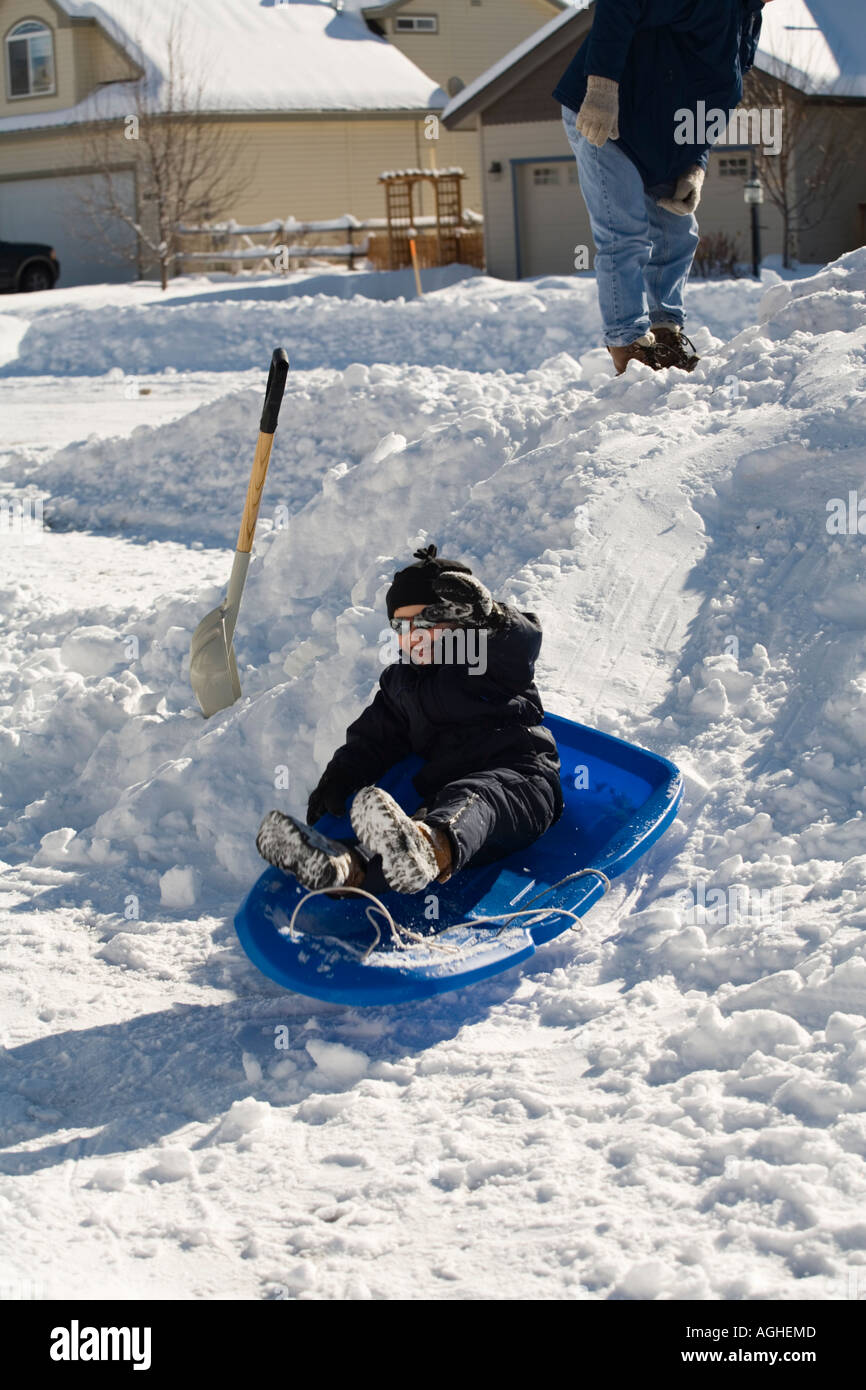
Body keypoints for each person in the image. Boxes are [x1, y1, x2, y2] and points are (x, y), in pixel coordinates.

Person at [256, 543, 563, 897]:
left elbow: (520, 642)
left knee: (474, 799)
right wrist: (341, 774)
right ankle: (347, 868)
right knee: (403, 839)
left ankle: (429, 845)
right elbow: (375, 737)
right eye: (401, 625)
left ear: (461, 620)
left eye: (426, 621)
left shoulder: (485, 656)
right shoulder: (402, 683)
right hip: (444, 797)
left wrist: (492, 618)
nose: (412, 635)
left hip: (521, 780)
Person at [553, 0, 769, 374]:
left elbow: (716, 96)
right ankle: (628, 343)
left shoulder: (747, 18)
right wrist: (602, 86)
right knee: (625, 232)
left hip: (661, 131)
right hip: (608, 115)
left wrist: (695, 163)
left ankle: (663, 332)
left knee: (678, 232)